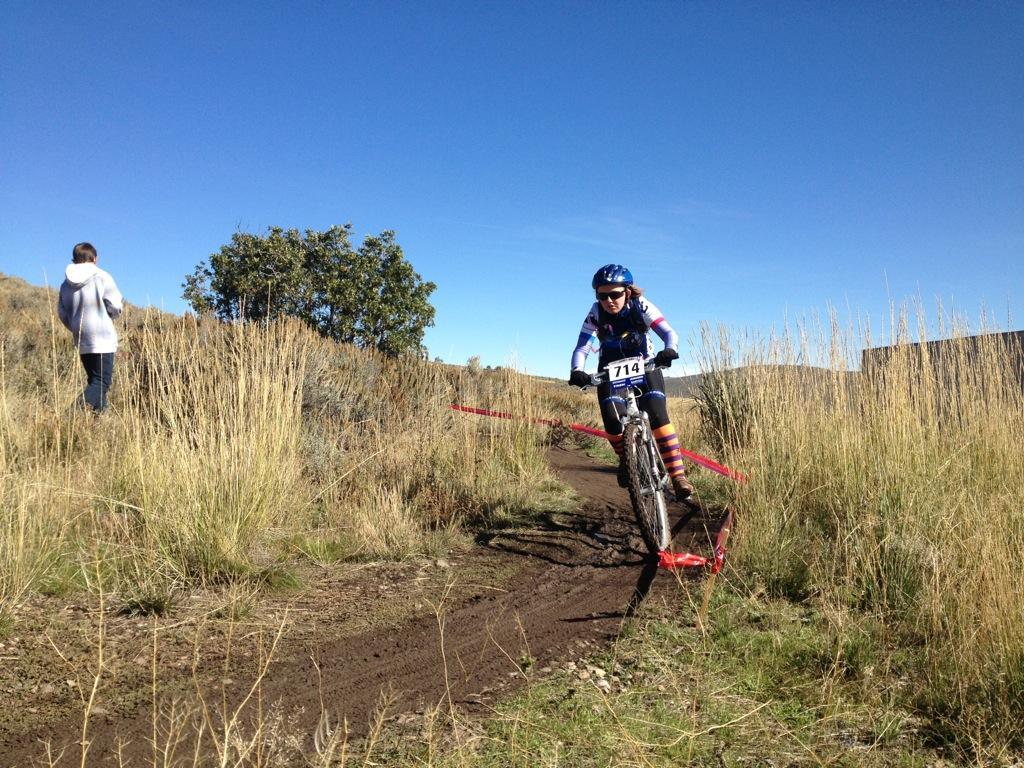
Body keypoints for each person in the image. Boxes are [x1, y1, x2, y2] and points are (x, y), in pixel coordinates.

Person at [568, 264, 695, 501]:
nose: (609, 300)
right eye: (602, 295)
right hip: (610, 370)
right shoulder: (596, 312)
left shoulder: (640, 305)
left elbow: (668, 332)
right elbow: (583, 346)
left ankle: (678, 476)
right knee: (612, 419)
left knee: (657, 413)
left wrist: (669, 350)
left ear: (627, 292)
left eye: (614, 294)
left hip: (645, 365)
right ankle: (626, 460)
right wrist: (577, 370)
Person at [57, 242, 123, 412]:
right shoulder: (102, 276)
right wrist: (109, 316)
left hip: (81, 337)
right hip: (102, 336)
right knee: (102, 382)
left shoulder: (65, 284)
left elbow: (62, 313)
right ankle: (70, 415)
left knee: (94, 380)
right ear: (95, 258)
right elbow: (116, 305)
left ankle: (99, 419)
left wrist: (74, 327)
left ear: (74, 259)